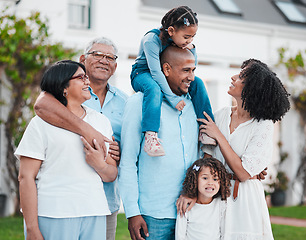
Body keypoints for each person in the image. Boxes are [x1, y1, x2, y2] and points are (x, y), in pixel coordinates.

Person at [182, 59, 290, 239]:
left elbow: (243, 173)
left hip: (244, 200)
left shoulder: (262, 125)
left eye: (240, 77)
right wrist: (193, 192)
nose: (233, 77)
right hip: (215, 194)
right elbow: (206, 158)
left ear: (252, 89)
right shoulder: (221, 115)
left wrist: (219, 135)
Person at [33, 37, 128, 240]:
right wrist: (89, 131)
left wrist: (120, 151)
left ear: (115, 66)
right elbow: (40, 105)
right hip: (63, 201)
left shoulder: (125, 102)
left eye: (110, 57)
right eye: (97, 55)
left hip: (105, 200)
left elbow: (127, 147)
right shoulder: (62, 96)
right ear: (83, 58)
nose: (104, 60)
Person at [16, 60, 118, 240]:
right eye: (81, 77)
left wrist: (99, 165)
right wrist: (31, 228)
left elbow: (111, 174)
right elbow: (26, 177)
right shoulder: (40, 124)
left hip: (95, 211)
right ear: (63, 87)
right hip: (54, 212)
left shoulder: (101, 122)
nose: (88, 81)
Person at [119, 46, 200, 240]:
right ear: (166, 69)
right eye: (186, 70)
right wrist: (132, 212)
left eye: (193, 70)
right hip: (152, 216)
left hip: (192, 211)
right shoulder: (139, 103)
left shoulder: (194, 104)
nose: (191, 77)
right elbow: (128, 161)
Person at [131, 6, 215, 157]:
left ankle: (207, 129)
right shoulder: (151, 40)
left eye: (192, 37)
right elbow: (156, 72)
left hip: (164, 73)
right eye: (186, 37)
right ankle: (151, 136)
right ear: (171, 31)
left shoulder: (178, 40)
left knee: (199, 83)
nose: (188, 40)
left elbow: (190, 62)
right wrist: (172, 98)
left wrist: (192, 48)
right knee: (154, 88)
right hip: (143, 73)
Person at [175, 157, 231, 240]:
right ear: (195, 180)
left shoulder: (221, 204)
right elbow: (180, 235)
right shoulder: (186, 206)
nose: (210, 183)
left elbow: (224, 233)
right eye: (205, 178)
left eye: (215, 179)